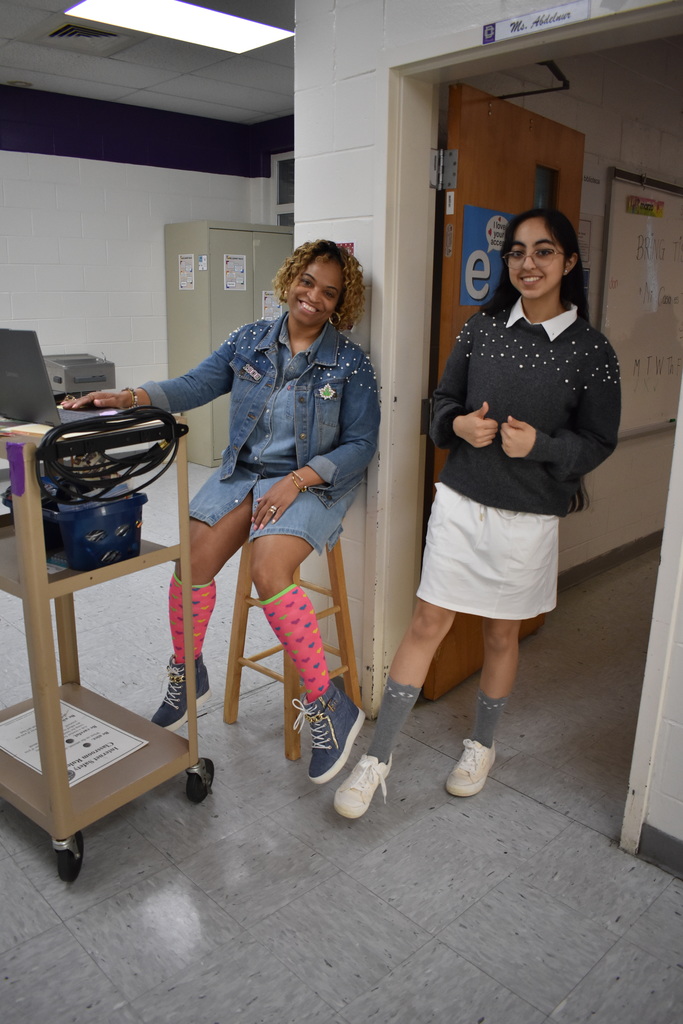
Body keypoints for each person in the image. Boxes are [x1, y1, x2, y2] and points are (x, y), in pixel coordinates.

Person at [333, 208, 621, 819]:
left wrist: (539, 446)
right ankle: (377, 760)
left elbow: (598, 442)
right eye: (517, 252)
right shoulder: (482, 328)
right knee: (426, 622)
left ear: (569, 262)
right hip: (463, 502)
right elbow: (440, 404)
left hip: (528, 517)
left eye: (544, 252)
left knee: (500, 632)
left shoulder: (593, 351)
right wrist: (457, 424)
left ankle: (481, 746)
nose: (528, 264)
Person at [64, 239, 380, 785]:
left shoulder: (350, 363)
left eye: (329, 292)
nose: (313, 297)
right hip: (243, 473)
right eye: (307, 282)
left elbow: (361, 444)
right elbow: (193, 385)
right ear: (290, 281)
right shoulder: (249, 342)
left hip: (310, 485)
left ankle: (329, 703)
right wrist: (129, 396)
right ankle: (187, 673)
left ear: (339, 304)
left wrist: (299, 479)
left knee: (268, 571)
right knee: (190, 559)